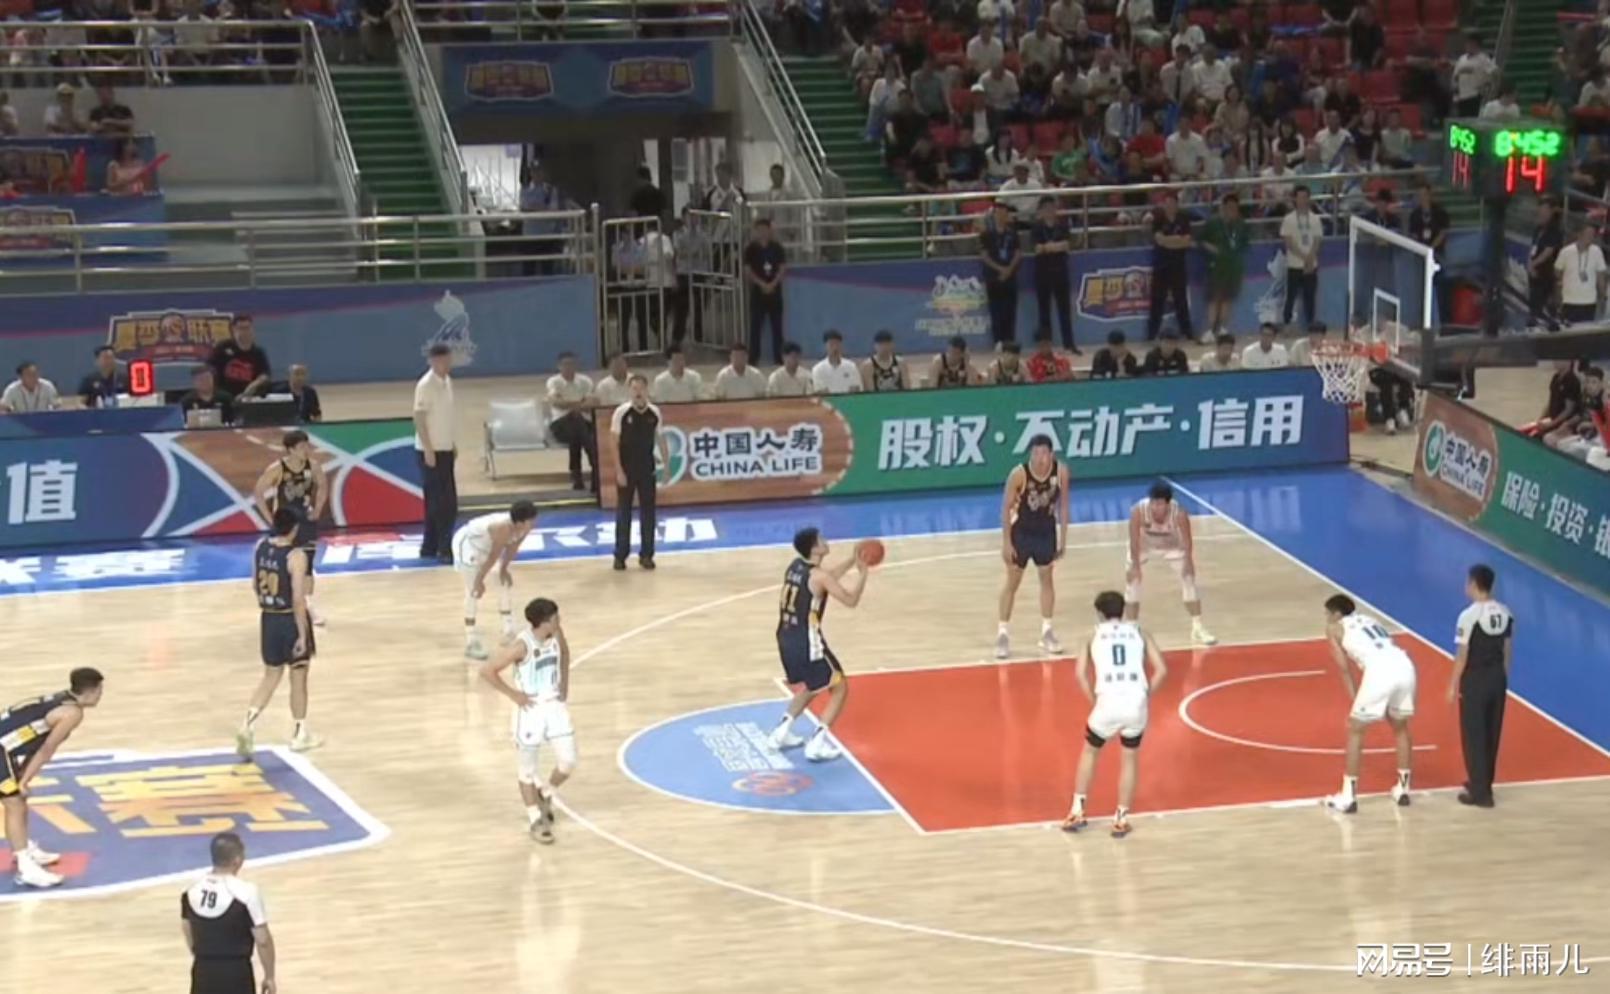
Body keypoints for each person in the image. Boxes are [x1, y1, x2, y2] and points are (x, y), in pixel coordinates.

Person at [1059, 592, 1168, 838]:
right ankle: (1121, 818)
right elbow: (1161, 670)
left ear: (1099, 613)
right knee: (1129, 758)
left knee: (1090, 751)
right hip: (1136, 703)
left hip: (1107, 702)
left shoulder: (1090, 636)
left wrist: (1094, 701)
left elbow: (1080, 675)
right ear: (1123, 610)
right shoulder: (1140, 632)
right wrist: (1145, 696)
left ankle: (1077, 811)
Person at [766, 527, 871, 761]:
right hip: (808, 642)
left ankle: (780, 732)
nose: (825, 541)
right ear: (814, 548)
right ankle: (817, 743)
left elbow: (825, 578)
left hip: (786, 637)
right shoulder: (820, 577)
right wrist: (863, 573)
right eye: (821, 539)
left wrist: (852, 560)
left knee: (812, 685)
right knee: (840, 687)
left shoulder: (795, 566)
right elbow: (850, 600)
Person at [478, 598, 575, 844]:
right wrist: (514, 695)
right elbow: (487, 670)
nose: (560, 620)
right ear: (544, 622)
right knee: (527, 770)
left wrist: (564, 683)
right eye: (555, 617)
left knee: (568, 762)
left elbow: (564, 654)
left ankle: (546, 792)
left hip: (554, 706)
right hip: (530, 710)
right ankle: (534, 819)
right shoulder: (522, 646)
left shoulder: (556, 634)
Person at [1, 668, 105, 888]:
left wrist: (23, 778)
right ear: (92, 691)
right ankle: (26, 867)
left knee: (18, 800)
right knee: (14, 803)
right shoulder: (72, 713)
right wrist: (23, 781)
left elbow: (35, 744)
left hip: (5, 747)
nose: (100, 695)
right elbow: (46, 749)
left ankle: (24, 848)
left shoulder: (60, 698)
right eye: (99, 691)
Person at [236, 508, 320, 759]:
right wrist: (303, 634)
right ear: (294, 528)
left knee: (271, 675)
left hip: (268, 618)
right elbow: (298, 599)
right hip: (289, 619)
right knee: (298, 677)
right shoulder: (296, 556)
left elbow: (255, 584)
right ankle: (300, 733)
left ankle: (247, 725)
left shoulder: (260, 547)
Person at [1322, 594, 1416, 813]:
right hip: (1404, 664)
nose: (1326, 618)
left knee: (1355, 729)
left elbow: (1344, 668)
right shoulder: (1370, 619)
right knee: (1401, 727)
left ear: (1337, 614)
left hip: (1380, 671)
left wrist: (1355, 699)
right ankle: (1403, 789)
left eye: (1327, 614)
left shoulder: (1334, 628)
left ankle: (1348, 797)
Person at [995, 434, 1070, 659]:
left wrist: (1063, 538)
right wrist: (1006, 542)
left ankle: (1047, 632)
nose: (1039, 458)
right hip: (1022, 532)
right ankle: (1002, 634)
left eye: (1044, 453)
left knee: (1047, 579)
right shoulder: (1019, 474)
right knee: (1012, 582)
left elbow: (1064, 506)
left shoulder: (1061, 472)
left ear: (1051, 454)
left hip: (1046, 532)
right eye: (1035, 453)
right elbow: (1005, 509)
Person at [1450, 564, 1514, 809]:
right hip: (1497, 677)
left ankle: (1480, 794)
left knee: (1474, 733)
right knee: (1491, 732)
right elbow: (1507, 650)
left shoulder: (1469, 616)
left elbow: (1462, 655)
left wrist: (1452, 684)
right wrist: (1503, 677)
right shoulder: (1506, 612)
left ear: (1474, 584)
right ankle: (1483, 782)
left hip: (1475, 679)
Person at [181, 833, 275, 994]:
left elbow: (187, 930)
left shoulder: (190, 891)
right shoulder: (247, 892)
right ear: (237, 860)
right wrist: (269, 976)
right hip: (236, 974)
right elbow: (263, 940)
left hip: (202, 972)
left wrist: (203, 957)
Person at [252, 431, 329, 628]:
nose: (306, 450)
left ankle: (308, 605)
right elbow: (258, 492)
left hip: (305, 521)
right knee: (284, 563)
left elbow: (323, 485)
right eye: (302, 447)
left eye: (307, 446)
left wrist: (318, 509)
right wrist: (270, 518)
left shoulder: (313, 466)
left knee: (308, 565)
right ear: (291, 450)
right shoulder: (278, 468)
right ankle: (289, 603)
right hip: (285, 523)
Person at [1125, 482, 1216, 645]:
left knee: (1189, 581)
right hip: (1144, 546)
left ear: (1168, 504)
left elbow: (1187, 540)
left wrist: (1188, 561)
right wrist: (1135, 565)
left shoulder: (1179, 513)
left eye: (1159, 504)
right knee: (1132, 583)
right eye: (1153, 502)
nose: (1155, 507)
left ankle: (1197, 628)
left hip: (1172, 546)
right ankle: (1132, 629)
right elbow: (1133, 539)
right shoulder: (1138, 511)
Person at [452, 501, 540, 660]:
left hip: (486, 546)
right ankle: (471, 642)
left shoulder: (524, 528)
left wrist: (504, 568)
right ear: (521, 522)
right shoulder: (502, 528)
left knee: (503, 581)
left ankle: (509, 630)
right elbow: (494, 555)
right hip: (468, 545)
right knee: (473, 591)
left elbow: (513, 547)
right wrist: (479, 580)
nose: (535, 522)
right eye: (531, 520)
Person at [610, 375, 666, 571]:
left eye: (641, 388)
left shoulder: (654, 412)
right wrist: (619, 470)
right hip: (627, 468)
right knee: (624, 512)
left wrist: (666, 466)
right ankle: (620, 555)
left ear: (647, 389)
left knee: (648, 512)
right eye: (634, 389)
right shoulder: (621, 413)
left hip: (647, 468)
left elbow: (660, 439)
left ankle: (647, 554)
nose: (638, 392)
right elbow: (613, 443)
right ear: (629, 391)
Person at [413, 344, 457, 562]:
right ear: (432, 361)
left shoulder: (447, 382)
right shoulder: (426, 385)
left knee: (439, 501)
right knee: (443, 503)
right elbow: (419, 418)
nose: (447, 365)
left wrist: (452, 443)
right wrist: (428, 449)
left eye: (448, 361)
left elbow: (445, 416)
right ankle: (444, 547)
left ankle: (428, 547)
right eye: (442, 361)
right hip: (431, 451)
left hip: (445, 448)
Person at [1030, 196, 1080, 353]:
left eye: (1052, 207)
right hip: (1043, 273)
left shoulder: (1062, 226)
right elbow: (1037, 248)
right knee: (1044, 312)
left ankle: (1069, 344)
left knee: (1064, 310)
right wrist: (1053, 247)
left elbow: (1066, 245)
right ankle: (1046, 346)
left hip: (1060, 272)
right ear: (1041, 211)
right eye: (1046, 208)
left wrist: (1048, 247)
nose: (1049, 211)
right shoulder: (1037, 228)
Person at [1199, 194, 1250, 339]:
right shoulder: (1213, 223)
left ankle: (1222, 329)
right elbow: (1201, 241)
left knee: (1227, 299)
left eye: (1235, 208)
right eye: (1229, 208)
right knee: (1214, 299)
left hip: (1233, 267)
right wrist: (1212, 249)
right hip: (1216, 266)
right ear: (1223, 207)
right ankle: (1210, 330)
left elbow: (1245, 244)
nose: (1232, 211)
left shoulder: (1241, 224)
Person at [546, 352, 597, 492]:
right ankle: (595, 468)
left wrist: (568, 404)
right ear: (559, 366)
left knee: (577, 430)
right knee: (577, 423)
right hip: (560, 424)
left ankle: (577, 478)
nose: (569, 367)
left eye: (572, 364)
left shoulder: (585, 381)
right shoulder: (554, 382)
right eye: (565, 364)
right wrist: (579, 404)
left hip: (584, 424)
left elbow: (592, 403)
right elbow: (556, 402)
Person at [1147, 191, 1194, 341]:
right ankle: (1152, 334)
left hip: (1178, 265)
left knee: (1181, 300)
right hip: (1161, 266)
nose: (1170, 206)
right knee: (1157, 301)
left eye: (1172, 203)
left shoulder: (1183, 219)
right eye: (1167, 203)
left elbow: (1186, 241)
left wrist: (1169, 241)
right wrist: (1176, 241)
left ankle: (1187, 332)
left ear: (1177, 204)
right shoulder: (1158, 219)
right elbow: (1159, 240)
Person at [744, 218, 787, 364]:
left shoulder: (777, 248)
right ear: (756, 231)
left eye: (765, 229)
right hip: (758, 294)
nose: (762, 233)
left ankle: (779, 358)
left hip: (775, 293)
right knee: (755, 327)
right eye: (759, 230)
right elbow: (747, 270)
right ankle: (753, 359)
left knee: (777, 328)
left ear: (770, 230)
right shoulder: (750, 249)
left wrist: (773, 284)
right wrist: (762, 284)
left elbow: (782, 269)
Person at [979, 201, 1022, 345]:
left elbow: (1017, 253)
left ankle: (1010, 341)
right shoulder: (987, 234)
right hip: (993, 277)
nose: (1001, 215)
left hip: (1010, 277)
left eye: (1004, 212)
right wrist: (999, 269)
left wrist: (1009, 269)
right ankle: (998, 341)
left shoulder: (1012, 233)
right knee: (996, 311)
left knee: (1010, 310)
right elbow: (984, 256)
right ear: (994, 215)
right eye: (998, 212)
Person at [1280, 186, 1321, 328]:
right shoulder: (1288, 219)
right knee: (1291, 296)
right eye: (1299, 197)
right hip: (1294, 264)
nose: (1302, 200)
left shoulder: (1315, 219)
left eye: (1305, 197)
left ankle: (1311, 325)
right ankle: (1287, 323)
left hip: (1311, 265)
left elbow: (1317, 241)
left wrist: (1310, 258)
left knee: (1310, 297)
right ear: (1295, 199)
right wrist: (1304, 257)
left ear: (1309, 199)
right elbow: (1289, 243)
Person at [1554, 225, 1607, 326]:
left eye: (1593, 235)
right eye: (1588, 234)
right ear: (1579, 235)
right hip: (1569, 300)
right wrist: (1559, 289)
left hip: (1589, 301)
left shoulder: (1597, 251)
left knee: (1585, 330)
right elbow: (1557, 272)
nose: (1591, 237)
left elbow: (1601, 275)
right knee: (1568, 330)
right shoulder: (1566, 251)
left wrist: (1603, 295)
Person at [210, 315, 271, 400]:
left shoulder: (258, 352)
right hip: (225, 395)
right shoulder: (222, 348)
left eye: (248, 328)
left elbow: (265, 375)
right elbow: (210, 369)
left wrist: (252, 388)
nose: (245, 332)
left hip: (249, 396)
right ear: (233, 330)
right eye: (241, 328)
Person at [1520, 359, 1581, 439]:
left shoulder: (1572, 381)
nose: (1555, 361)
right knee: (1523, 432)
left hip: (1563, 424)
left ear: (1568, 361)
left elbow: (1568, 410)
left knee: (1536, 436)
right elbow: (1550, 402)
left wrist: (1550, 424)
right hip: (1552, 419)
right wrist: (1540, 420)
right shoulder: (1555, 378)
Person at [1528, 196, 1563, 330]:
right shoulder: (1538, 229)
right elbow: (1532, 247)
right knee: (1533, 303)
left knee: (1546, 304)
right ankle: (1533, 323)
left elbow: (1548, 251)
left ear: (1551, 211)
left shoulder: (1555, 230)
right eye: (1540, 210)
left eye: (1544, 210)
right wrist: (1529, 264)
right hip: (1534, 275)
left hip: (1546, 274)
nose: (1541, 213)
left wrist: (1534, 264)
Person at [812, 329, 862, 394]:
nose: (835, 348)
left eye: (837, 344)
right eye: (831, 345)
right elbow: (821, 392)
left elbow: (856, 388)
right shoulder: (818, 369)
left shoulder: (851, 366)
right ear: (825, 346)